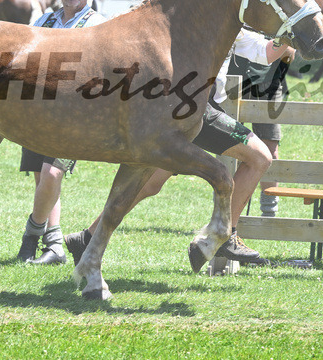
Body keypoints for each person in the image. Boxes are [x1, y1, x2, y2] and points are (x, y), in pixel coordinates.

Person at [64, 29, 289, 269]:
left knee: (148, 183)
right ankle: (223, 235)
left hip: (183, 108)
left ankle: (87, 238)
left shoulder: (234, 27)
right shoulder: (198, 15)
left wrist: (289, 33)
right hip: (196, 108)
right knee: (259, 157)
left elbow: (266, 54)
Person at [16, 0, 107, 265]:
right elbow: (27, 59)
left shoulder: (99, 24)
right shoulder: (45, 19)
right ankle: (53, 244)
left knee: (52, 173)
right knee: (41, 178)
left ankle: (30, 239)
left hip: (75, 116)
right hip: (38, 111)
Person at [227, 31, 296, 217]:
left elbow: (290, 48)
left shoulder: (276, 8)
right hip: (233, 80)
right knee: (228, 148)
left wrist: (279, 76)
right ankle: (227, 210)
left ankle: (269, 210)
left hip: (267, 83)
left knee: (270, 148)